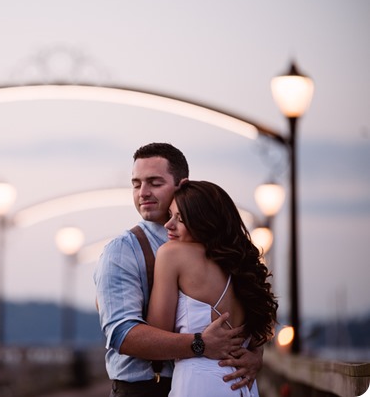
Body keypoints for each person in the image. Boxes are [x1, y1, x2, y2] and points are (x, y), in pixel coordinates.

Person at [94, 142, 263, 397]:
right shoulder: (122, 250)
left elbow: (256, 308)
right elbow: (122, 335)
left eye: (154, 182)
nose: (143, 192)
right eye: (136, 183)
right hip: (146, 388)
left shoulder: (220, 248)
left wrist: (255, 355)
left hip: (216, 382)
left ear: (182, 185)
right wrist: (200, 344)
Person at [147, 180, 278, 396]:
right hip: (243, 386)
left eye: (180, 219)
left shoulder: (172, 254)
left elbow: (157, 334)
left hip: (199, 384)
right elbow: (256, 339)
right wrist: (257, 355)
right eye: (170, 215)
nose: (168, 225)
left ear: (204, 222)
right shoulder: (241, 268)